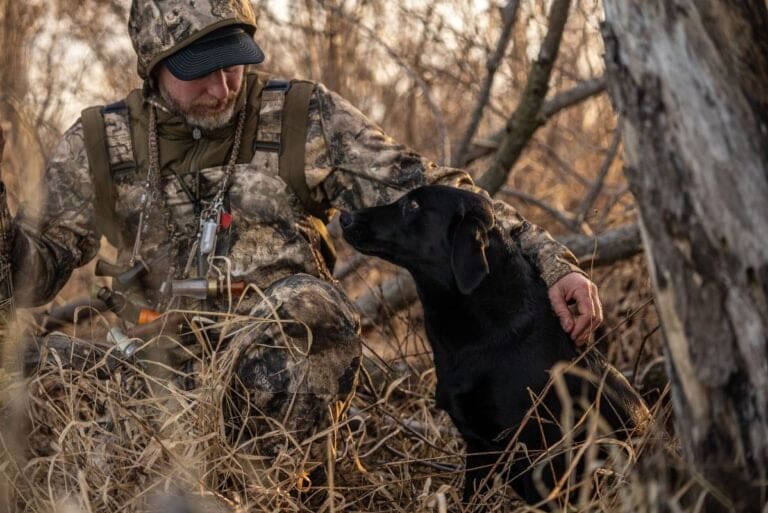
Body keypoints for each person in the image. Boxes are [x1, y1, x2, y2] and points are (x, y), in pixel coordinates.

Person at [11, 0, 602, 481]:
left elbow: (438, 192)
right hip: (143, 361)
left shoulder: (301, 115)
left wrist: (553, 264)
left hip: (273, 366)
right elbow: (34, 269)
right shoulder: (100, 141)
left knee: (313, 310)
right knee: (30, 373)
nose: (222, 87)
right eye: (199, 72)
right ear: (153, 66)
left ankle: (259, 490)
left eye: (234, 64)